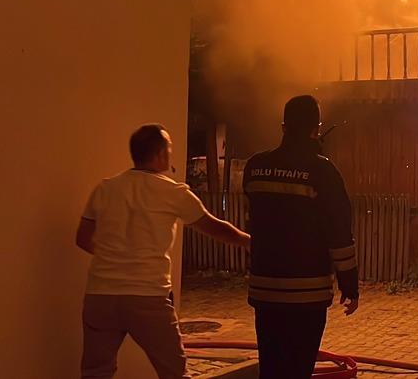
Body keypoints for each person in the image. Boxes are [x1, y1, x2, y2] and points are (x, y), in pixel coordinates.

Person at [75, 124, 251, 379]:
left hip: (100, 295)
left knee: (95, 372)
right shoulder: (173, 192)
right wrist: (249, 241)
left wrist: (116, 258)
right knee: (174, 373)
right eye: (169, 147)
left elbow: (82, 238)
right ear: (160, 154)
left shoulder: (105, 188)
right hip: (147, 297)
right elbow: (215, 228)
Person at [244, 95, 359, 379]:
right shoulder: (323, 170)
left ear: (284, 127)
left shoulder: (255, 166)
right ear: (316, 129)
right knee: (297, 369)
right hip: (306, 294)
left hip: (264, 290)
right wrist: (350, 285)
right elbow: (340, 231)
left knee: (271, 368)